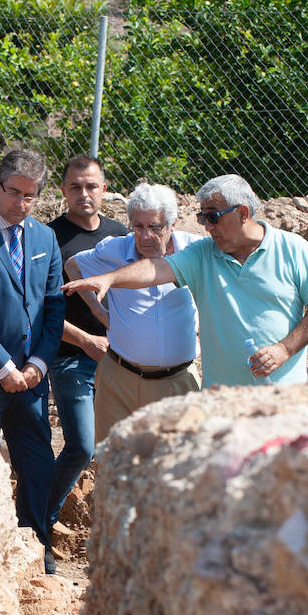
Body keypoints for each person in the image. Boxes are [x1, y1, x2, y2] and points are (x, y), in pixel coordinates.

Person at [63, 173, 308, 388]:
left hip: (281, 395)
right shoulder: (204, 253)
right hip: (221, 400)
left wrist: (284, 349)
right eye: (202, 217)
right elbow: (156, 270)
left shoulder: (292, 248)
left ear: (242, 213)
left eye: (213, 216)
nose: (207, 226)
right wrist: (109, 279)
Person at [0, 149, 65, 574]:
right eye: (13, 193)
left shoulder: (45, 239)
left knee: (38, 464)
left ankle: (35, 543)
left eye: (30, 197)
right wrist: (3, 365)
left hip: (31, 378)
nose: (20, 204)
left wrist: (38, 364)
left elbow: (52, 308)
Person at [65, 182, 201, 440]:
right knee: (113, 466)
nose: (145, 236)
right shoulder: (114, 250)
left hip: (177, 383)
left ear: (172, 225)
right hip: (119, 381)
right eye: (138, 226)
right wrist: (100, 313)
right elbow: (74, 266)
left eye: (155, 227)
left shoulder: (196, 252)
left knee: (175, 470)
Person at [45, 155, 128, 536]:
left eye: (91, 186)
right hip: (70, 360)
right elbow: (38, 310)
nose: (84, 193)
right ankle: (38, 526)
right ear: (63, 190)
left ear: (105, 189)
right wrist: (87, 340)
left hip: (123, 362)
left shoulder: (121, 235)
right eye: (75, 186)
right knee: (81, 447)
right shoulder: (47, 238)